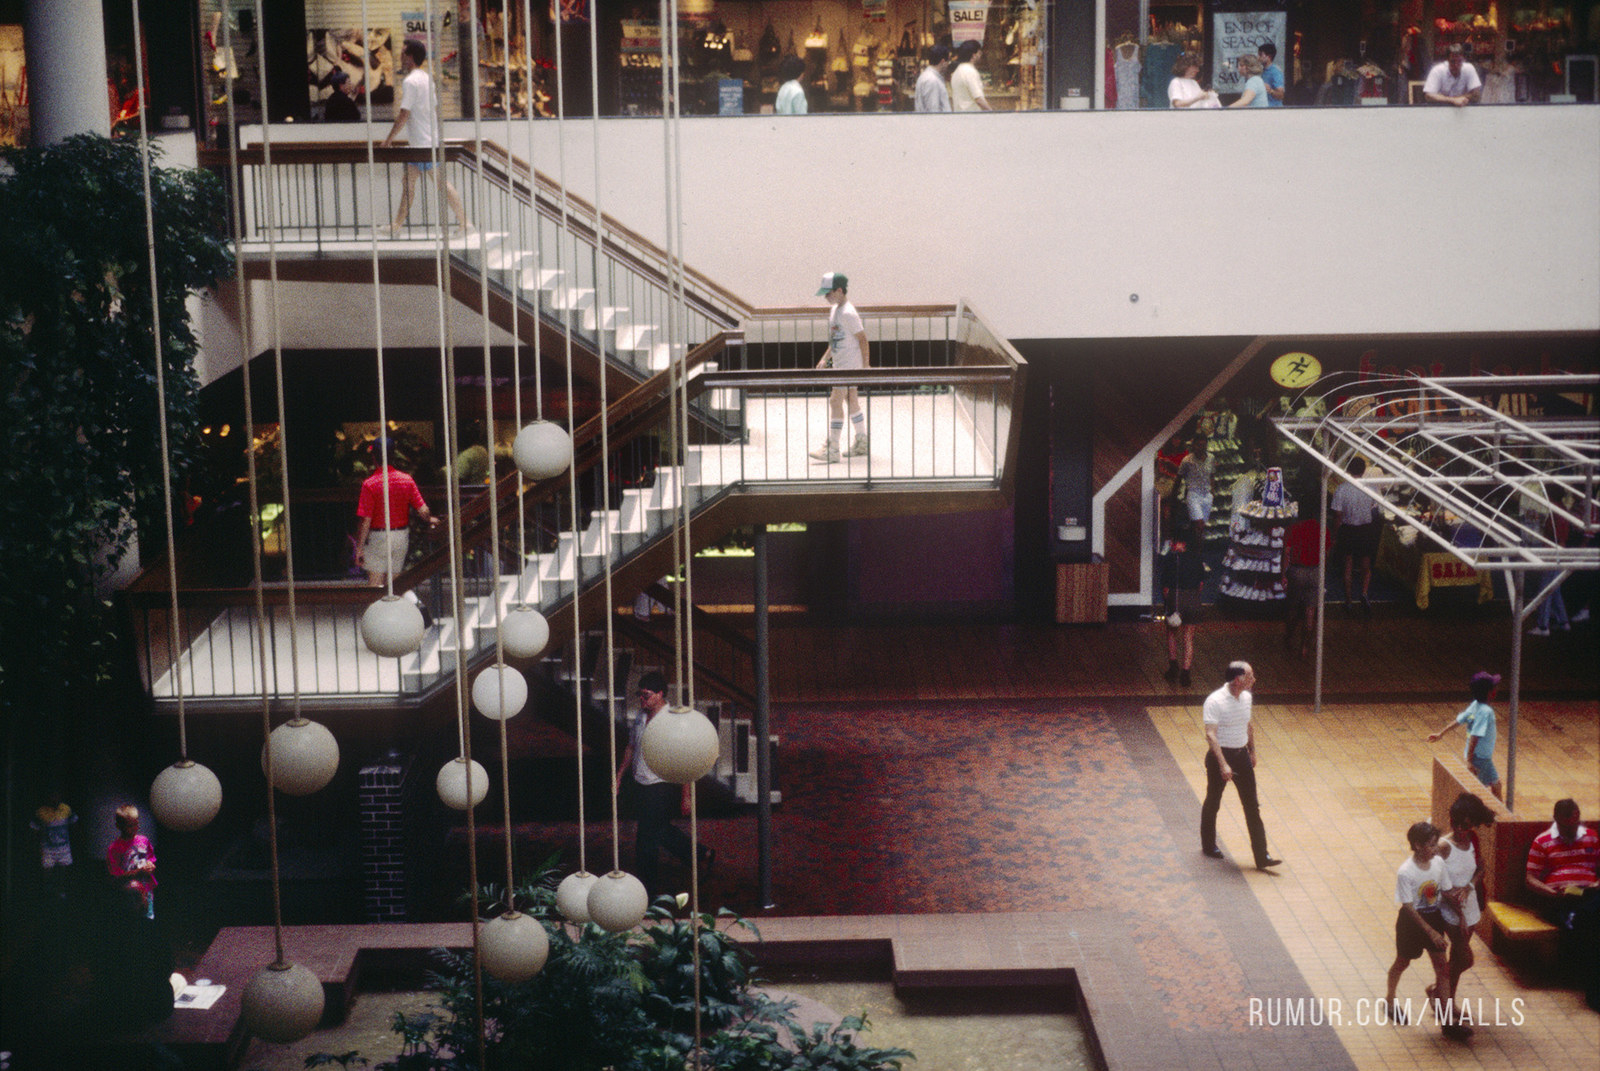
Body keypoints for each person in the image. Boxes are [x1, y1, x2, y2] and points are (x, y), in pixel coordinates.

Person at [616, 670, 713, 897]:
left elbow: (685, 758)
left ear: (660, 694)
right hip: (641, 782)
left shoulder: (671, 721)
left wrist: (686, 795)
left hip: (661, 786)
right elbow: (632, 746)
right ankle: (701, 854)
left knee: (645, 841)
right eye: (640, 695)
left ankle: (646, 893)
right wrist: (620, 774)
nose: (642, 700)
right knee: (658, 830)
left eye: (646, 695)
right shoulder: (641, 716)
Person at [1385, 821, 1468, 1037]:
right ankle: (1390, 999)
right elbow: (1409, 907)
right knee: (1402, 962)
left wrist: (1461, 917)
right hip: (1411, 923)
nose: (1435, 849)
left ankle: (1448, 1021)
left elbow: (1447, 892)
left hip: (1433, 917)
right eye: (1431, 845)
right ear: (1417, 845)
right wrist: (1430, 932)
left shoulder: (1438, 863)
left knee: (1443, 969)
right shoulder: (1406, 872)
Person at [380, 40, 470, 234]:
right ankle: (397, 225)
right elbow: (434, 110)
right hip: (426, 141)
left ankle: (465, 223)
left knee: (439, 183)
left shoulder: (410, 81)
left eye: (403, 53)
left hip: (422, 144)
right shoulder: (427, 78)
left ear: (411, 57)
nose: (401, 57)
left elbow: (405, 113)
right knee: (409, 182)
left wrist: (388, 140)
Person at [1199, 662, 1282, 869]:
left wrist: (1252, 751)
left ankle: (1262, 856)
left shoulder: (1246, 697)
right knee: (1213, 801)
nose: (1254, 679)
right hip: (1221, 756)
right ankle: (1208, 845)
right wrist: (1223, 764)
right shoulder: (1215, 701)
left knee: (1252, 806)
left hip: (1241, 755)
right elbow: (1211, 735)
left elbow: (1248, 725)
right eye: (1250, 676)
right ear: (1238, 680)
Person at [1523, 799, 1600, 1008]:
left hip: (1590, 895)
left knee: (1591, 919)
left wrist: (1594, 884)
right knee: (1589, 929)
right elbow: (1530, 878)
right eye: (1567, 826)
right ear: (1557, 820)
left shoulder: (1591, 837)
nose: (1572, 829)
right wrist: (1551, 893)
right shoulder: (1543, 841)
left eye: (1575, 824)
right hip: (1560, 900)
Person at [354, 441, 441, 585]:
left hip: (378, 537)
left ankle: (378, 607)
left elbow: (366, 520)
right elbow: (423, 510)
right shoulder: (406, 480)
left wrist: (359, 548)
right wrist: (429, 519)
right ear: (393, 456)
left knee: (375, 587)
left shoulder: (369, 484)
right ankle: (411, 605)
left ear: (374, 458)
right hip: (401, 536)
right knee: (395, 586)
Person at [1438, 793, 1496, 1005]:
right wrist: (1460, 915)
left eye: (1466, 825)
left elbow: (1480, 867)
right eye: (1456, 824)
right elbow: (1437, 882)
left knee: (1456, 959)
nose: (1460, 829)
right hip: (1452, 912)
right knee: (1465, 958)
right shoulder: (1443, 846)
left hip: (1470, 907)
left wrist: (1469, 886)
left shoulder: (1473, 840)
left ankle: (1445, 998)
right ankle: (1441, 995)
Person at [808, 272, 870, 464]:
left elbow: (863, 340)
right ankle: (862, 441)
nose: (826, 297)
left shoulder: (849, 313)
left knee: (835, 401)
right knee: (852, 402)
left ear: (840, 291)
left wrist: (866, 366)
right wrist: (825, 358)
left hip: (849, 366)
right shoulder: (835, 310)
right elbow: (835, 338)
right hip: (840, 363)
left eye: (829, 293)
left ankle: (833, 448)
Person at [1427, 671, 1504, 799]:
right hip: (1480, 757)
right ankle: (1498, 816)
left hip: (1477, 756)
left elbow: (1459, 720)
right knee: (1488, 788)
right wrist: (1469, 760)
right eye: (1494, 688)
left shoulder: (1475, 705)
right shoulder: (1486, 712)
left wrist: (1441, 733)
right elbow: (1475, 735)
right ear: (1490, 693)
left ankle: (1494, 813)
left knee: (1489, 786)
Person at [1330, 457, 1379, 613]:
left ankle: (1349, 600)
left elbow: (1338, 516)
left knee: (1348, 567)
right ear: (1363, 471)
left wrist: (1335, 536)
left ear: (1348, 470)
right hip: (1366, 530)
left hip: (1348, 530)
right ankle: (1364, 593)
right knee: (1366, 567)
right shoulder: (1370, 488)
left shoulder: (1342, 489)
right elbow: (1373, 507)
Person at [1159, 516, 1204, 686]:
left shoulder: (1171, 559)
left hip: (1175, 599)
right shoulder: (1197, 558)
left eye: (1174, 541)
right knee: (1188, 638)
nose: (1172, 544)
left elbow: (1165, 586)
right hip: (1193, 599)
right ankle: (1186, 673)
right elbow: (1201, 583)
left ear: (1180, 543)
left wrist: (1168, 602)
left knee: (1171, 633)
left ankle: (1173, 667)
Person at [1282, 506, 1328, 658]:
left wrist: (1283, 574)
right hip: (1315, 572)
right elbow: (1325, 554)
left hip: (1297, 571)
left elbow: (1287, 553)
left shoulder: (1293, 528)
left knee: (1292, 608)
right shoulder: (1323, 530)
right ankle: (1304, 647)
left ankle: (1289, 638)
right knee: (1310, 611)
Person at [107, 804, 157, 919]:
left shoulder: (144, 840)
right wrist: (137, 873)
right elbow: (115, 876)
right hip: (128, 893)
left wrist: (150, 864)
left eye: (136, 824)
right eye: (130, 826)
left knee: (148, 916)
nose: (134, 828)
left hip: (146, 888)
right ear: (118, 826)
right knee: (131, 918)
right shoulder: (115, 848)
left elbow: (151, 858)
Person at [1177, 438, 1213, 529]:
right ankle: (1199, 543)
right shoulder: (1187, 460)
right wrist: (1175, 494)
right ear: (1194, 446)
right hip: (1193, 494)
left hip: (1207, 495)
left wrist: (1212, 491)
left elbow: (1212, 475)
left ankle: (1195, 542)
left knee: (1201, 525)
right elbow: (1179, 477)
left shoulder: (1211, 458)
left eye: (1204, 445)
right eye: (1199, 445)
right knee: (1199, 524)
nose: (1201, 448)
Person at [950, 41, 991, 111]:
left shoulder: (957, 71)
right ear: (974, 55)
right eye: (979, 53)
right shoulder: (970, 72)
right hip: (971, 116)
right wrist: (993, 113)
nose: (980, 56)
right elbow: (979, 99)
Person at [914, 44, 953, 113]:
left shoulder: (929, 77)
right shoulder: (932, 81)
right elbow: (933, 111)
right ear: (943, 62)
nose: (948, 64)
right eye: (948, 61)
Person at [1257, 42, 1285, 106]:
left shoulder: (1275, 72)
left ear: (1269, 57)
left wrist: (1270, 91)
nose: (1258, 57)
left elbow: (1281, 95)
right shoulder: (1262, 71)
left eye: (1260, 55)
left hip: (1274, 110)